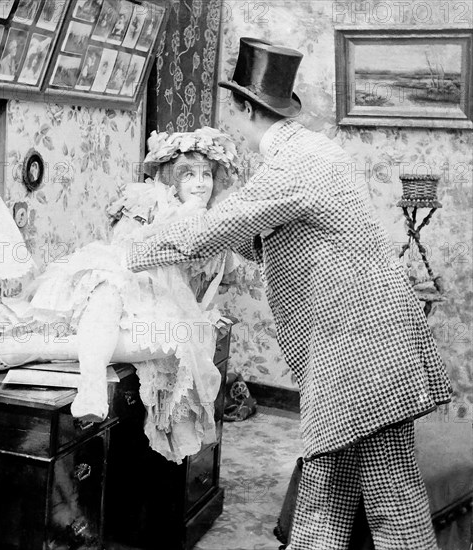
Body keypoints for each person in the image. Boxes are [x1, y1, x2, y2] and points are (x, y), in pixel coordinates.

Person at [126, 38, 453, 549]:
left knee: (393, 500)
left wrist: (124, 251)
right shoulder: (315, 149)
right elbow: (275, 235)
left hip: (362, 348)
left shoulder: (290, 166)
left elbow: (206, 234)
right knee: (327, 487)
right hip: (365, 339)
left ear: (241, 107)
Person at [0, 128, 240, 463]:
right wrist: (181, 215)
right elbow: (128, 252)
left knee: (175, 340)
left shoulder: (212, 221)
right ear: (172, 180)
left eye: (206, 175)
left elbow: (205, 282)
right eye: (189, 175)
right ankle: (91, 387)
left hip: (165, 303)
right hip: (128, 278)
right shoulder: (150, 201)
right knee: (109, 285)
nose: (200, 184)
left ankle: (39, 348)